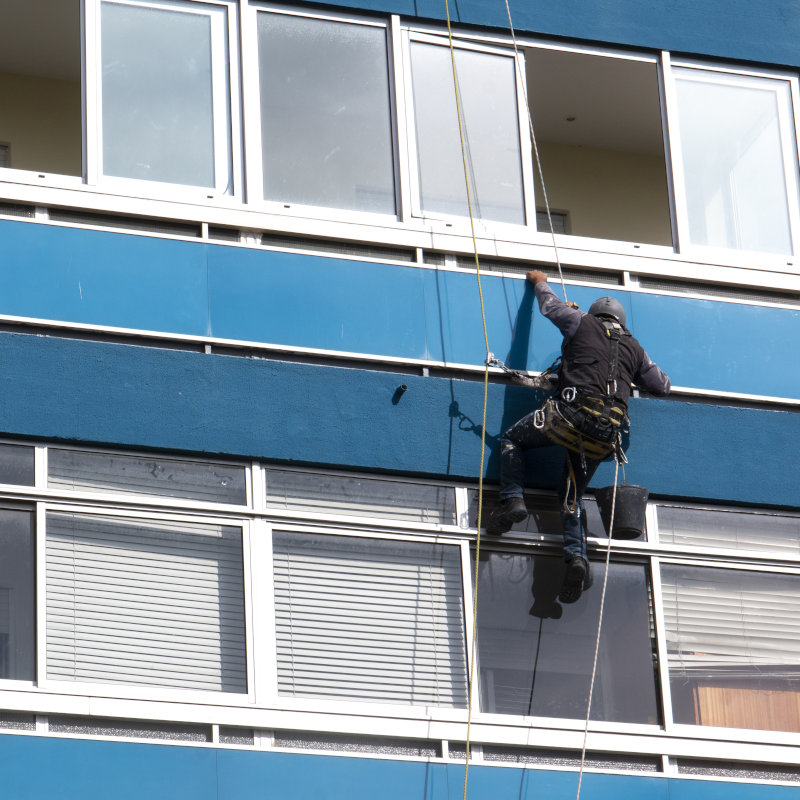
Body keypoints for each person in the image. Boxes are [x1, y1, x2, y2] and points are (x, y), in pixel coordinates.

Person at [487, 270, 671, 603]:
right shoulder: (635, 348)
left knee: (513, 439)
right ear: (620, 320)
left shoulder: (580, 321)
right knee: (570, 494)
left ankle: (512, 499)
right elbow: (662, 386)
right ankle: (577, 558)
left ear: (596, 313)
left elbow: (550, 307)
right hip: (604, 436)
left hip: (569, 416)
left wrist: (540, 282)